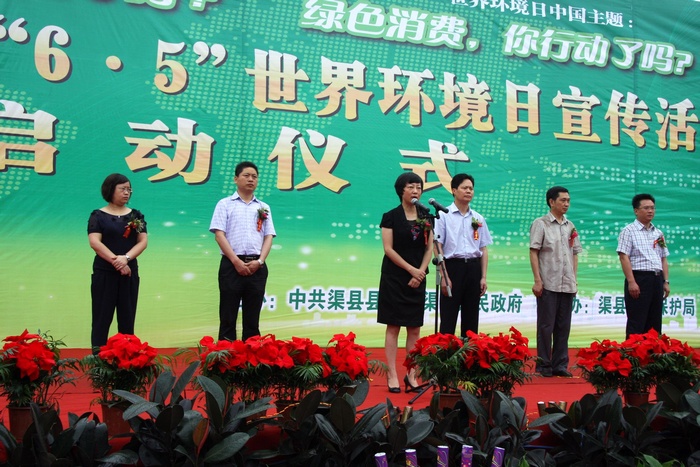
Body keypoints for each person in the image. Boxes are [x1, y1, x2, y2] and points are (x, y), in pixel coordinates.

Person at [377, 173, 433, 393]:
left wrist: (420, 272)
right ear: (401, 190)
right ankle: (392, 373)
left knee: (414, 329)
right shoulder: (390, 216)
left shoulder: (426, 216)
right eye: (411, 187)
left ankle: (411, 374)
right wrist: (411, 270)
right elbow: (388, 249)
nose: (416, 191)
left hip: (418, 278)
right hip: (395, 277)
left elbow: (429, 248)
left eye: (419, 187)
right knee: (393, 326)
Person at [210, 161, 275, 342]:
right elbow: (219, 235)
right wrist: (236, 262)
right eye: (246, 175)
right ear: (236, 179)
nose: (251, 179)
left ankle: (251, 356)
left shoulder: (263, 207)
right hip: (231, 265)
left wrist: (260, 261)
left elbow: (269, 236)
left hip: (257, 266)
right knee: (228, 315)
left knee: (252, 319)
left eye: (254, 176)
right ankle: (226, 355)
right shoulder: (225, 204)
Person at [87, 173, 148, 352]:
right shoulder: (98, 215)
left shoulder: (136, 215)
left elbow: (143, 242)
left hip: (129, 273)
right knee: (101, 318)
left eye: (129, 189)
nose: (127, 193)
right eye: (122, 189)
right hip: (104, 273)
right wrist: (117, 262)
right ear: (110, 190)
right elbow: (95, 243)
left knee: (127, 319)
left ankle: (126, 360)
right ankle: (98, 359)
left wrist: (126, 259)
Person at [529, 186, 582, 378]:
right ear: (551, 202)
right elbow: (534, 252)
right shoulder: (540, 223)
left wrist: (574, 279)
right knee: (546, 326)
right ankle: (544, 365)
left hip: (567, 283)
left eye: (568, 200)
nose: (566, 204)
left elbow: (575, 253)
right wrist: (537, 280)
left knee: (563, 326)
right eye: (563, 200)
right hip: (548, 282)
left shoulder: (570, 225)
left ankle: (560, 364)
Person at [434, 173, 492, 337]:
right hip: (452, 268)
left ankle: (469, 352)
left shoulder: (478, 218)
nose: (468, 191)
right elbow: (437, 246)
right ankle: (446, 352)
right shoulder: (443, 215)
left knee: (471, 318)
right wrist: (444, 275)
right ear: (454, 190)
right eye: (464, 188)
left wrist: (483, 277)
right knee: (448, 317)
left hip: (473, 268)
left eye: (471, 188)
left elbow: (483, 249)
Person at [617, 194, 669, 339]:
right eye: (646, 208)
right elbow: (624, 257)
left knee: (655, 322)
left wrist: (666, 281)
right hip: (639, 278)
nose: (650, 211)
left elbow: (663, 258)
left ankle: (652, 353)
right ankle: (634, 353)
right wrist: (632, 281)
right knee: (637, 321)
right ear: (636, 210)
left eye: (652, 208)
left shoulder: (658, 233)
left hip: (657, 279)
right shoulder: (628, 231)